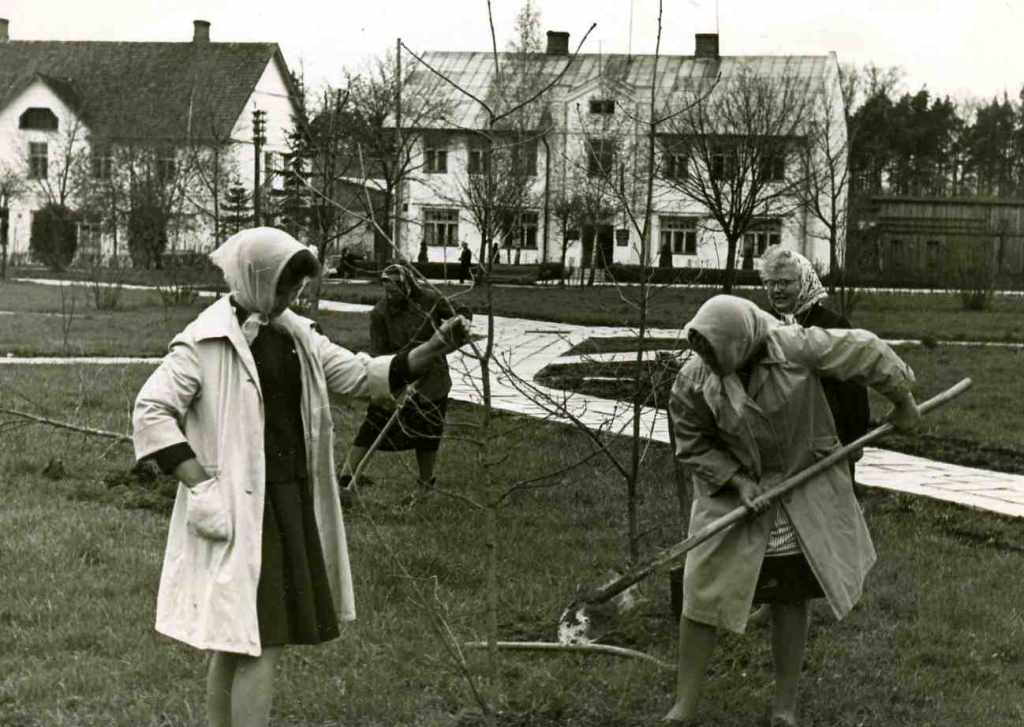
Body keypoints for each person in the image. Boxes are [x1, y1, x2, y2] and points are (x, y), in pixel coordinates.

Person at [132, 227, 470, 727]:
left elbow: (362, 375)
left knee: (241, 640)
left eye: (295, 288)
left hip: (288, 501)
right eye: (283, 287)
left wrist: (434, 347)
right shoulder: (204, 341)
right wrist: (200, 484)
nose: (290, 297)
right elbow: (151, 411)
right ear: (256, 279)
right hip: (241, 508)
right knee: (255, 643)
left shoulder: (296, 334)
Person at [663, 295, 920, 727]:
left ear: (740, 342)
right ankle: (683, 707)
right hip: (731, 490)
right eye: (700, 349)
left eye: (713, 350)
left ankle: (784, 707)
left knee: (789, 592)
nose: (705, 359)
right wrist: (737, 481)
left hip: (799, 481)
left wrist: (903, 401)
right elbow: (691, 442)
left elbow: (867, 351)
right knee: (701, 588)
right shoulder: (694, 377)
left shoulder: (794, 346)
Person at [338, 263, 469, 496]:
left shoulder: (429, 300)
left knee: (429, 432)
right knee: (373, 424)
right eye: (386, 290)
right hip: (398, 372)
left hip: (433, 379)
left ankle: (425, 483)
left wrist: (461, 323)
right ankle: (346, 477)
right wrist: (397, 380)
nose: (390, 295)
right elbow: (379, 353)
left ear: (407, 285)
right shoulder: (380, 313)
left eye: (395, 289)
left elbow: (460, 312)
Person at [760, 247, 871, 482]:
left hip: (828, 438)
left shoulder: (832, 324)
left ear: (804, 282)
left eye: (784, 282)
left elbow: (853, 384)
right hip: (779, 440)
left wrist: (855, 438)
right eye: (771, 283)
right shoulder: (761, 325)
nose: (777, 290)